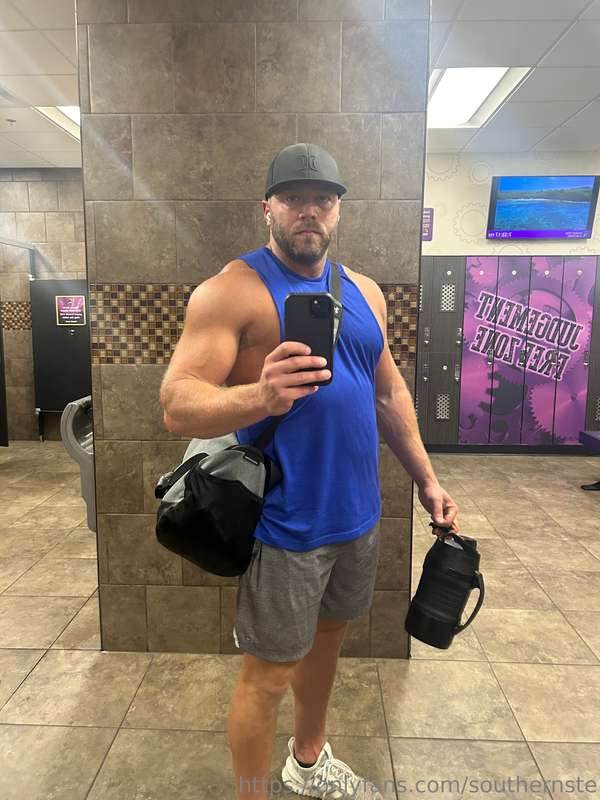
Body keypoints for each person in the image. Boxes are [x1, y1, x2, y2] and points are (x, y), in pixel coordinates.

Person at [160, 143, 460, 799]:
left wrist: (427, 479)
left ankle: (308, 759)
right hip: (285, 524)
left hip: (355, 516)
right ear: (267, 208)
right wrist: (259, 397)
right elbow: (177, 404)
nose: (309, 211)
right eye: (293, 198)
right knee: (266, 677)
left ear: (338, 210)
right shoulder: (232, 290)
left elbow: (388, 393)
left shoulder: (365, 293)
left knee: (327, 643)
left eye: (322, 199)